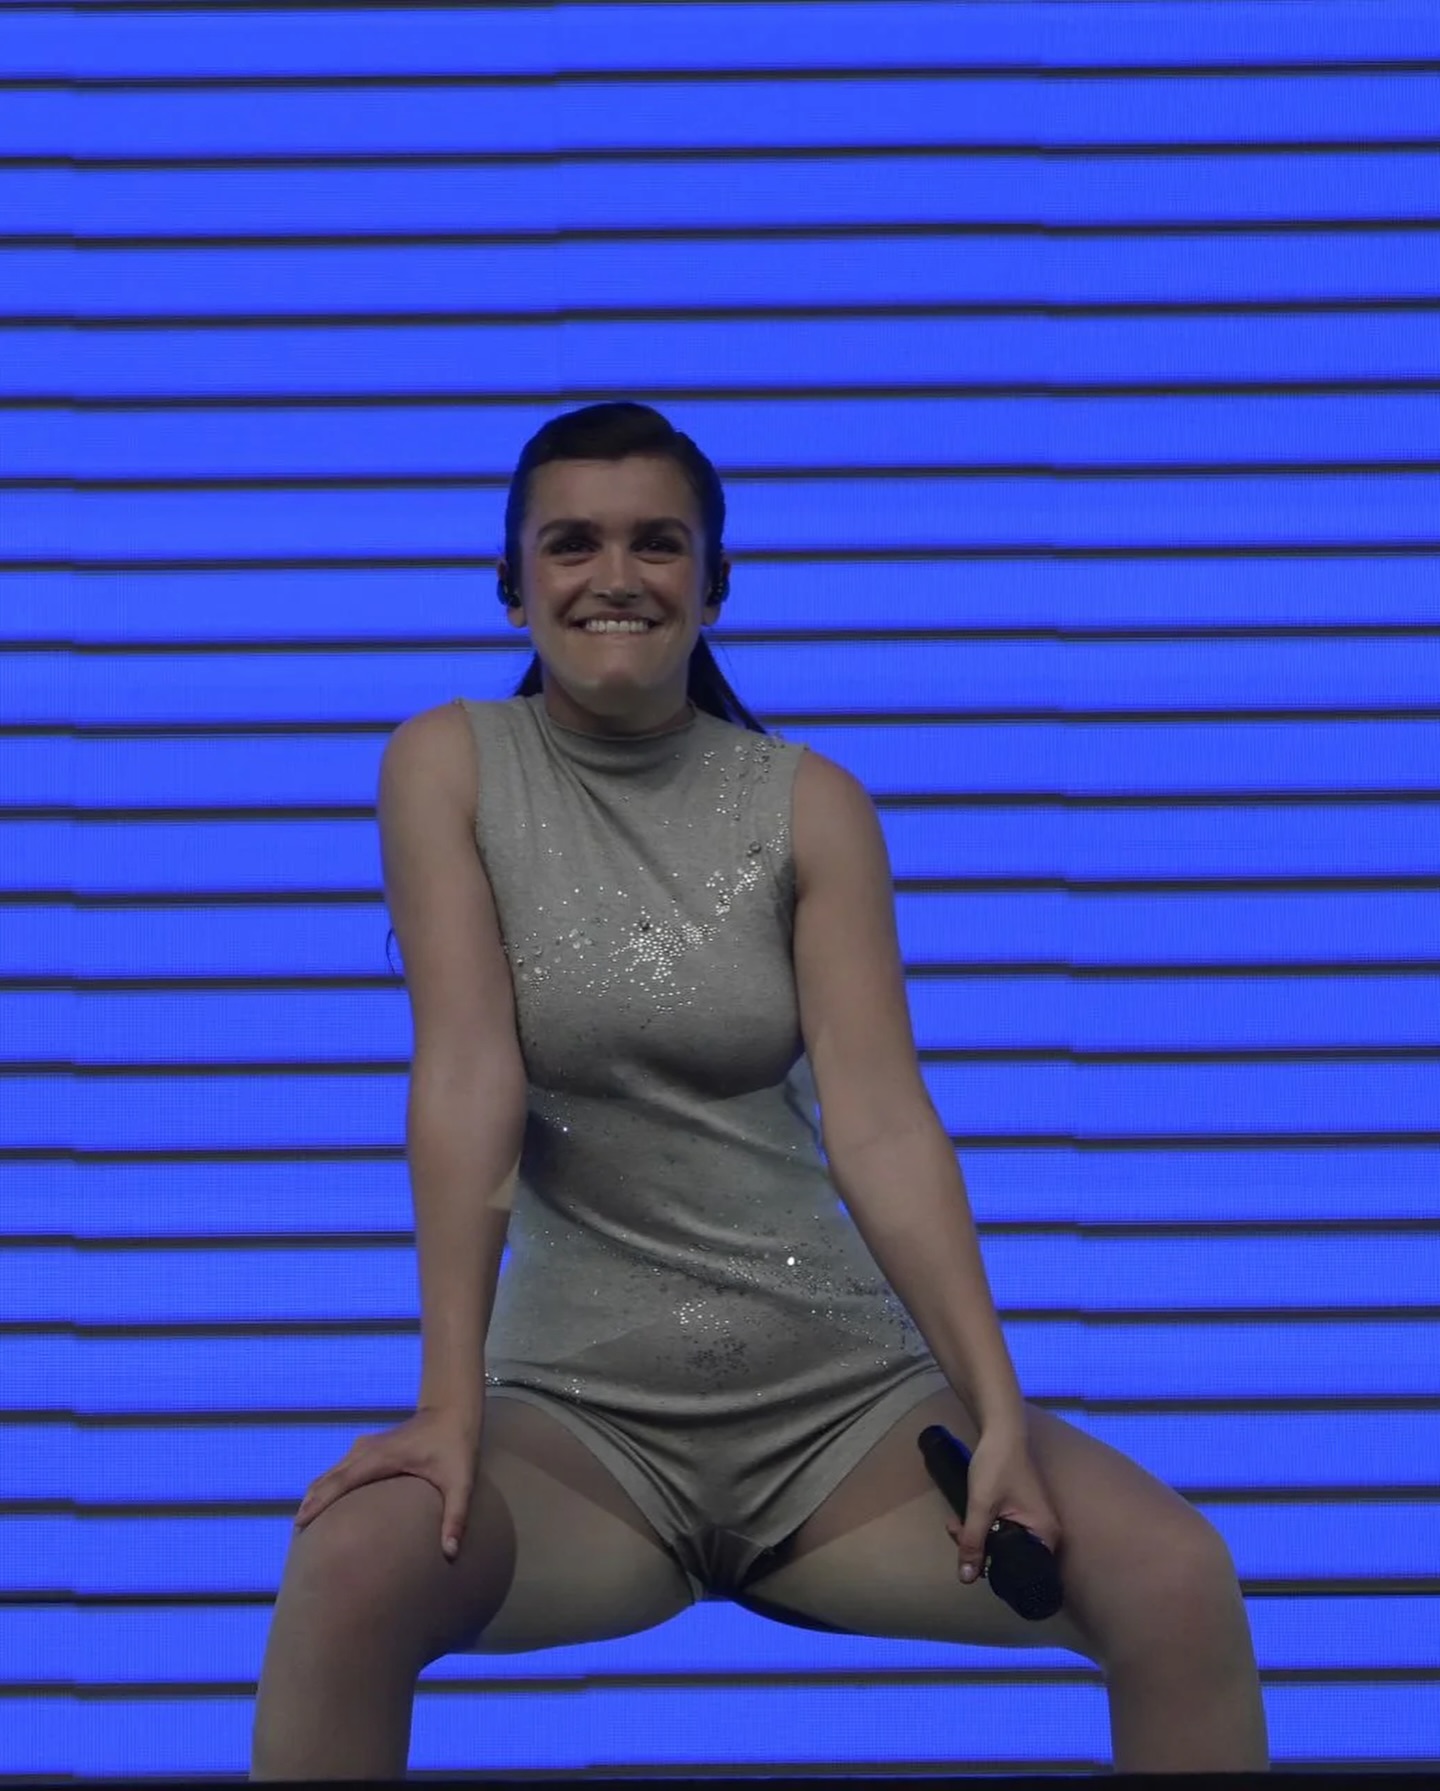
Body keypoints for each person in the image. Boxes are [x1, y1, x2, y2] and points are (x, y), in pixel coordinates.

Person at [250, 402, 1268, 1778]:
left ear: (715, 584)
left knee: (1176, 1576)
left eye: (658, 543)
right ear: (513, 586)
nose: (616, 575)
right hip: (582, 1434)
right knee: (348, 1568)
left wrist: (1000, 1413)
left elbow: (884, 1124)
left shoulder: (812, 804)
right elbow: (469, 1075)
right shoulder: (448, 764)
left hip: (843, 1420)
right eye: (573, 543)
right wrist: (447, 1406)